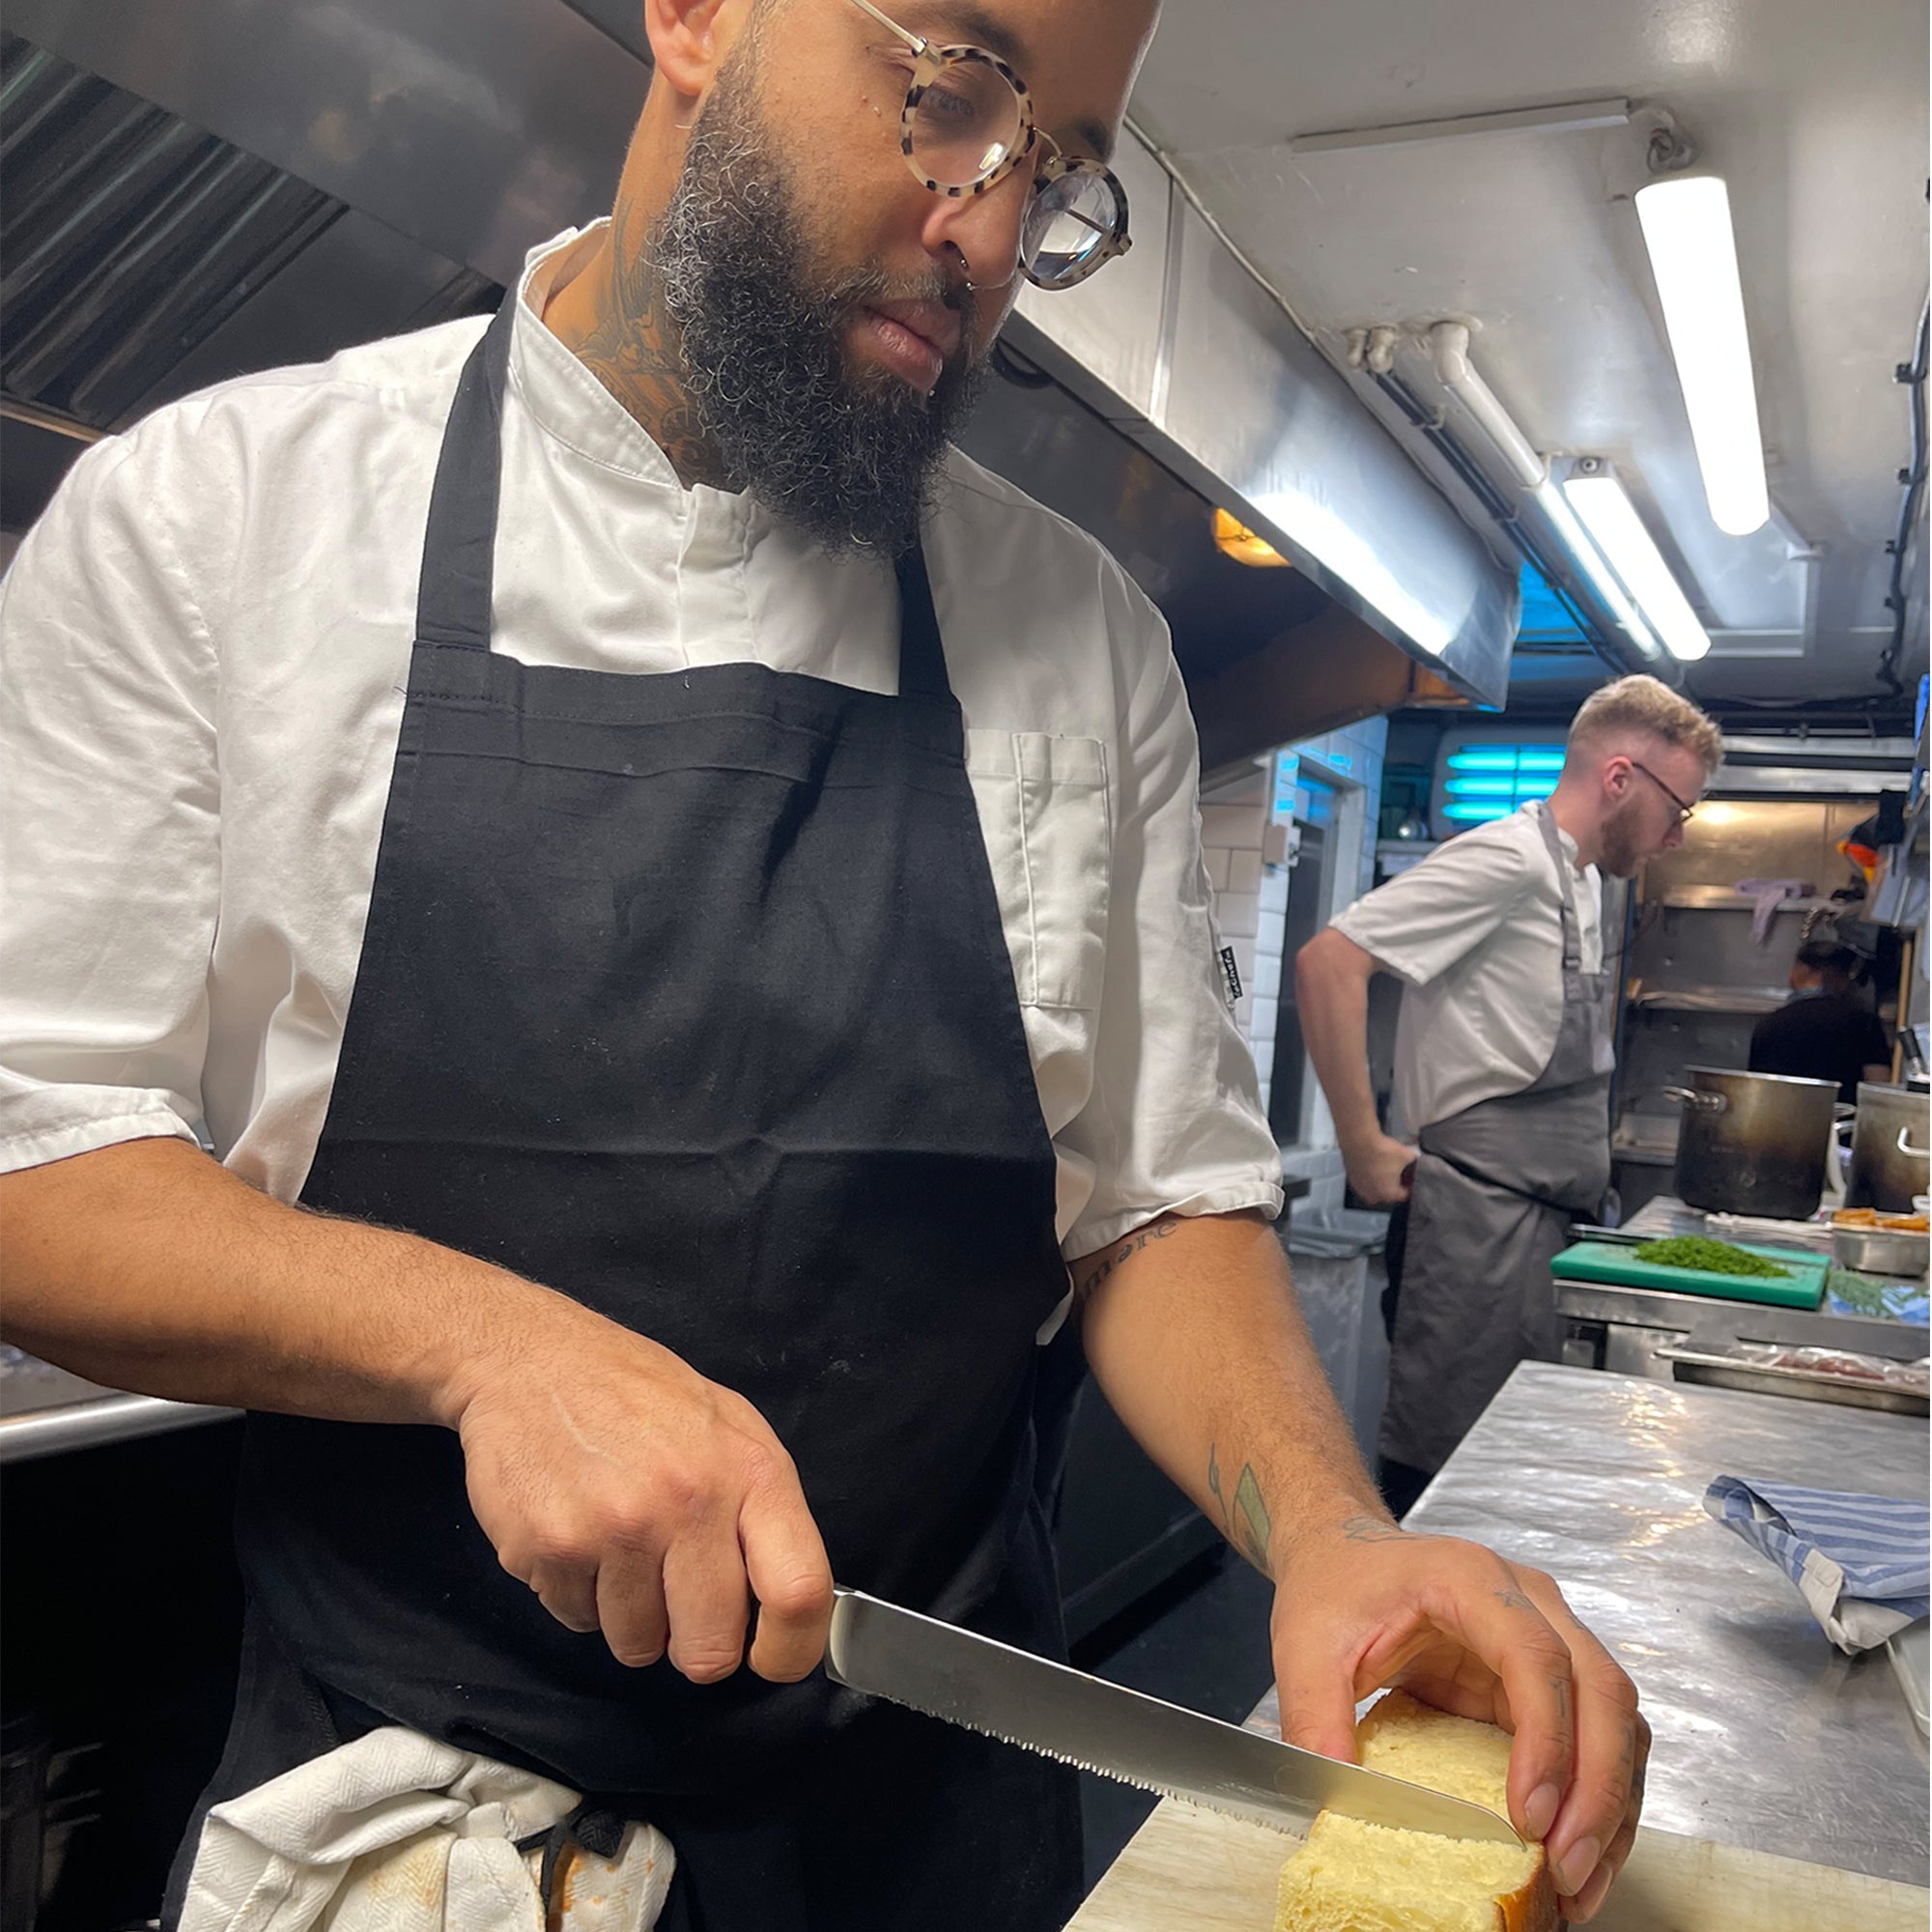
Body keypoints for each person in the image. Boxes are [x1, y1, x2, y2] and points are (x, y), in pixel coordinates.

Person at [0, 2, 1646, 1925]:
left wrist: (1330, 1535)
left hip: (930, 1827)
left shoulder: (1077, 633)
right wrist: (487, 1342)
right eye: (950, 99)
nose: (986, 231)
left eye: (1061, 178)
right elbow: (34, 1160)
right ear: (693, 14)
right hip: (407, 1825)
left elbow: (1151, 1197)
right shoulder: (222, 523)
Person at [1297, 677, 1723, 1520]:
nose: (1678, 835)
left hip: (1535, 1231)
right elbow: (1330, 962)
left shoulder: (1586, 884)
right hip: (1473, 1234)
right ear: (1620, 778)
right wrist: (1363, 1143)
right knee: (1446, 1490)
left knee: (1504, 1485)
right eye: (1680, 808)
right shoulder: (1507, 859)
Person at [1749, 941, 1893, 1100]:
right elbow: (1879, 1085)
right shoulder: (1863, 1021)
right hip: (1842, 1120)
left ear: (1801, 971)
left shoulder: (1770, 1024)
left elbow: (1757, 1090)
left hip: (1781, 1119)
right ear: (1842, 979)